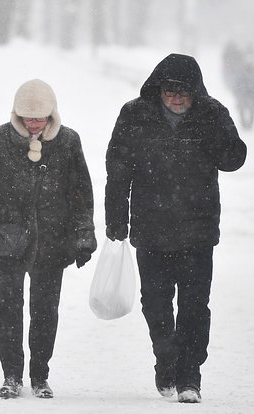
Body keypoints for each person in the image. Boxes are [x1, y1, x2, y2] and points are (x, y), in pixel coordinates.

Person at [105, 54, 247, 404]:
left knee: (196, 307)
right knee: (155, 303)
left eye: (185, 92)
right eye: (170, 90)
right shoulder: (135, 115)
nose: (177, 98)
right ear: (159, 89)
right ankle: (166, 359)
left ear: (195, 91)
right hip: (150, 229)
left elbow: (234, 159)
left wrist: (214, 128)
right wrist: (116, 221)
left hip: (197, 231)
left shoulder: (211, 114)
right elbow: (118, 170)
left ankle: (189, 377)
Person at [0, 79, 96, 399]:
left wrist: (83, 234)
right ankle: (11, 376)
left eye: (40, 117)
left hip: (52, 239)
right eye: (27, 116)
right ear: (16, 114)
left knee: (46, 310)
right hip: (8, 237)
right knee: (7, 309)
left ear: (51, 114)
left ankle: (40, 376)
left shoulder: (69, 141)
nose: (34, 123)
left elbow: (80, 194)